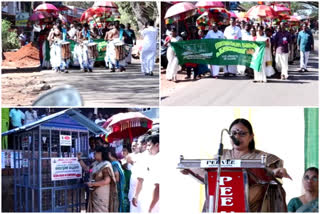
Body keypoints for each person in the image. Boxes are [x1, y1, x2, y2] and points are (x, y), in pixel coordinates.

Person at [181, 118, 291, 212]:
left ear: (251, 136)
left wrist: (275, 172)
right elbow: (210, 178)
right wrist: (192, 171)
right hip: (222, 199)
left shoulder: (264, 157)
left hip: (250, 204)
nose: (237, 137)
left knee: (258, 189)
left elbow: (271, 171)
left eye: (242, 133)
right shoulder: (221, 155)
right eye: (233, 133)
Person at [77, 146, 118, 212]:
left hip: (102, 194)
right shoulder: (95, 163)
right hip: (94, 192)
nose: (94, 154)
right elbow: (86, 168)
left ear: (100, 153)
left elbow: (107, 180)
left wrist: (93, 184)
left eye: (95, 153)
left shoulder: (106, 165)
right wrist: (79, 159)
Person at [132, 134, 160, 213]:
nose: (147, 148)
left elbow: (158, 187)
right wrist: (136, 195)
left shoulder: (159, 160)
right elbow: (141, 179)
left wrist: (151, 208)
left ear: (157, 145)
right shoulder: (150, 157)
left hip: (155, 205)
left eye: (149, 145)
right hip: (146, 201)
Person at [108, 147, 125, 212]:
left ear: (109, 154)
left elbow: (117, 178)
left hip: (116, 188)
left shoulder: (114, 164)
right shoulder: (117, 162)